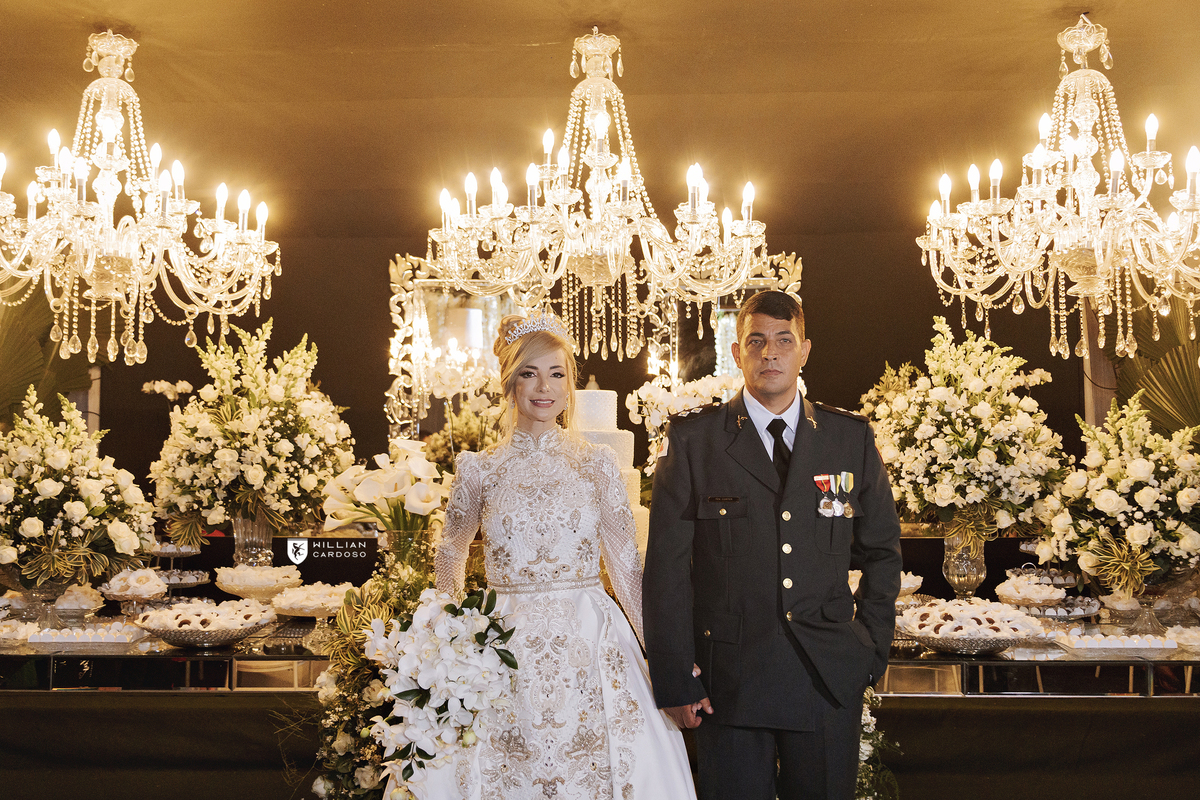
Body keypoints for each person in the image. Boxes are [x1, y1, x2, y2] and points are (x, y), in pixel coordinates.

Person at [419, 312, 698, 800]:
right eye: (529, 373)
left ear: (570, 384)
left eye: (556, 373)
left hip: (590, 641)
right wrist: (454, 635)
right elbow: (452, 548)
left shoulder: (597, 464)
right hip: (502, 648)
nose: (543, 387)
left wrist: (663, 654)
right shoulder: (479, 469)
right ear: (509, 382)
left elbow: (627, 568)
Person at [643, 290, 902, 800]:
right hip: (729, 684)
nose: (771, 353)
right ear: (737, 354)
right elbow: (667, 568)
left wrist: (869, 651)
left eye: (784, 341)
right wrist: (674, 676)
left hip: (827, 677)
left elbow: (882, 551)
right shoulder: (697, 441)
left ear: (804, 350)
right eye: (756, 341)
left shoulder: (846, 439)